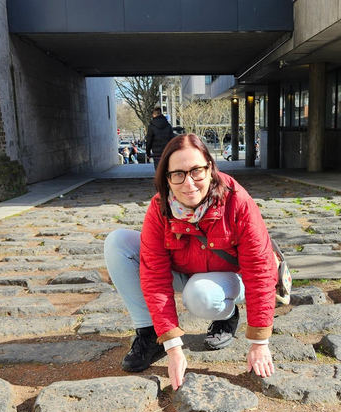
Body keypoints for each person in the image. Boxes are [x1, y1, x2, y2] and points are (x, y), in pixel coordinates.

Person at [103, 134, 276, 390]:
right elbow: (154, 275)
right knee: (118, 242)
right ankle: (150, 335)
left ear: (210, 168)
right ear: (167, 178)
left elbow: (259, 270)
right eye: (178, 174)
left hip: (228, 278)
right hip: (184, 270)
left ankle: (227, 313)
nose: (189, 183)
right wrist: (172, 345)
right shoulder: (159, 208)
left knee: (200, 295)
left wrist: (259, 343)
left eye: (196, 171)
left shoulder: (238, 203)